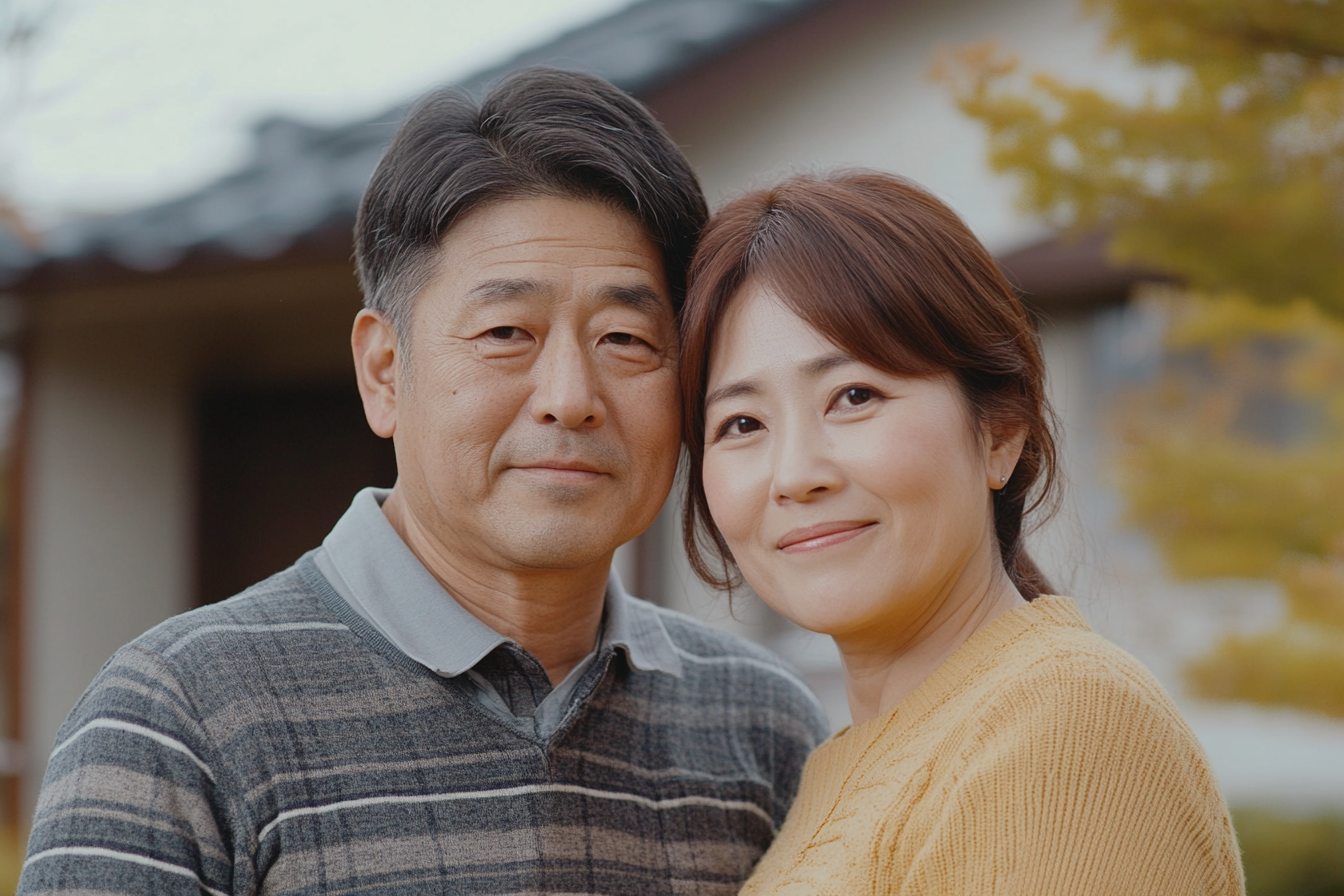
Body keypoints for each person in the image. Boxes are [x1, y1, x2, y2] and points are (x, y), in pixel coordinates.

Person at [19, 68, 829, 896]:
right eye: (506, 331)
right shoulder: (178, 720)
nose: (570, 399)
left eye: (625, 338)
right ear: (382, 371)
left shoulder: (760, 728)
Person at [678, 171, 1246, 894]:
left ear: (1001, 430)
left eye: (855, 396)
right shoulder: (832, 772)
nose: (795, 474)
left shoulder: (1062, 724)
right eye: (742, 424)